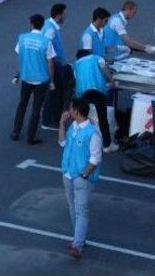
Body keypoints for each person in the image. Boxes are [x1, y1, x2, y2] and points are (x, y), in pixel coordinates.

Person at [58, 96, 101, 261]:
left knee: (80, 211)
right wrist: (62, 123)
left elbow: (95, 159)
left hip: (81, 177)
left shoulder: (93, 132)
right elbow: (62, 143)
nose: (68, 111)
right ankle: (78, 238)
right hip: (68, 173)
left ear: (76, 111)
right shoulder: (73, 127)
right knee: (72, 206)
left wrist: (84, 175)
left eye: (70, 109)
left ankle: (78, 244)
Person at [11, 14, 55, 144]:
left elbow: (20, 58)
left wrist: (17, 74)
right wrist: (52, 80)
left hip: (26, 77)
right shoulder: (46, 41)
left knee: (22, 104)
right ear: (42, 25)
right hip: (41, 79)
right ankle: (31, 136)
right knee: (36, 108)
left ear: (31, 24)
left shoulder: (22, 38)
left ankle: (15, 132)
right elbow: (50, 62)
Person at [72, 48, 116, 152]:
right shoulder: (96, 58)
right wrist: (112, 80)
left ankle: (80, 141)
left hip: (82, 93)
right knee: (102, 118)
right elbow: (105, 70)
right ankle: (107, 145)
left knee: (82, 117)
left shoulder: (76, 64)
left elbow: (75, 79)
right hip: (97, 90)